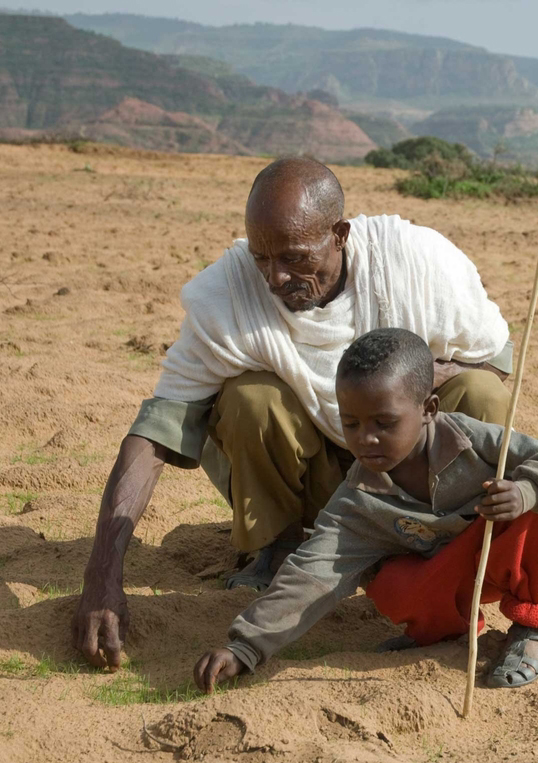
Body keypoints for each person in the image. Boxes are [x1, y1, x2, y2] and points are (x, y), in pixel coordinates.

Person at [72, 157, 514, 670]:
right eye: (262, 257)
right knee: (250, 398)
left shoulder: (415, 263)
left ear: (340, 234)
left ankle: (444, 545)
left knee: (481, 394)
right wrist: (102, 573)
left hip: (408, 475)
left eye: (294, 257)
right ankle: (277, 548)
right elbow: (155, 433)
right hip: (318, 489)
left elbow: (496, 357)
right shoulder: (231, 292)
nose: (276, 277)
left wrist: (427, 376)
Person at [194, 328, 538, 692]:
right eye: (351, 423)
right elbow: (310, 575)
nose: (366, 438)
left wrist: (526, 491)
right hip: (443, 579)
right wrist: (245, 647)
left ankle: (533, 631)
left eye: (384, 422)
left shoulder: (472, 439)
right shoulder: (356, 500)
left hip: (499, 557)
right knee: (390, 584)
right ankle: (444, 633)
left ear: (428, 408)